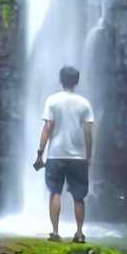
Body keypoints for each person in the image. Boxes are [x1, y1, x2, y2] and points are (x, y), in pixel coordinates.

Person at [33, 65, 94, 243]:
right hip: (78, 157)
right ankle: (80, 233)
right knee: (79, 197)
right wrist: (89, 155)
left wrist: (40, 153)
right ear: (77, 81)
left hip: (56, 155)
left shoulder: (52, 101)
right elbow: (88, 132)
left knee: (55, 193)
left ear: (61, 80)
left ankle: (55, 232)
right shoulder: (85, 103)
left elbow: (48, 128)